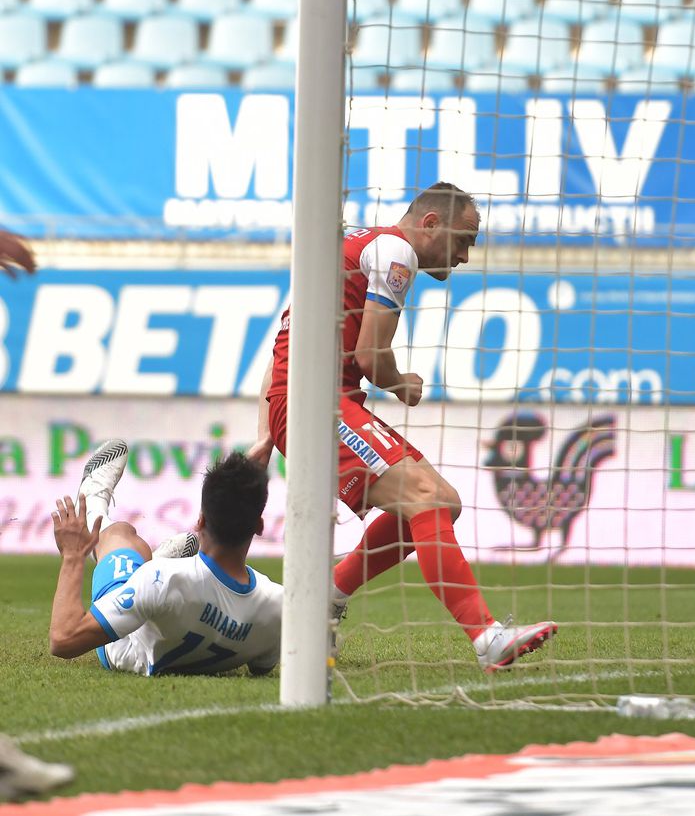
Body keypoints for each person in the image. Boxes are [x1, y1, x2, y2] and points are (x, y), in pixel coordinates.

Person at [248, 182, 556, 671]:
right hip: (315, 405)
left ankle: (324, 598)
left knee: (442, 502)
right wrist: (399, 383)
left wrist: (267, 432)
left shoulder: (357, 247)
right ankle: (486, 637)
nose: (464, 257)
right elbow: (369, 356)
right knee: (426, 498)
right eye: (463, 240)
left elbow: (288, 339)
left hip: (310, 403)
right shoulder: (395, 252)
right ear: (430, 223)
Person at [49, 440, 283, 676]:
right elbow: (261, 665)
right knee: (145, 571)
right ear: (260, 526)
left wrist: (72, 555)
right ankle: (144, 569)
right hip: (166, 596)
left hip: (126, 646)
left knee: (124, 535)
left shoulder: (163, 580)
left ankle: (92, 506)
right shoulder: (279, 606)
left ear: (200, 521)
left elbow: (64, 639)